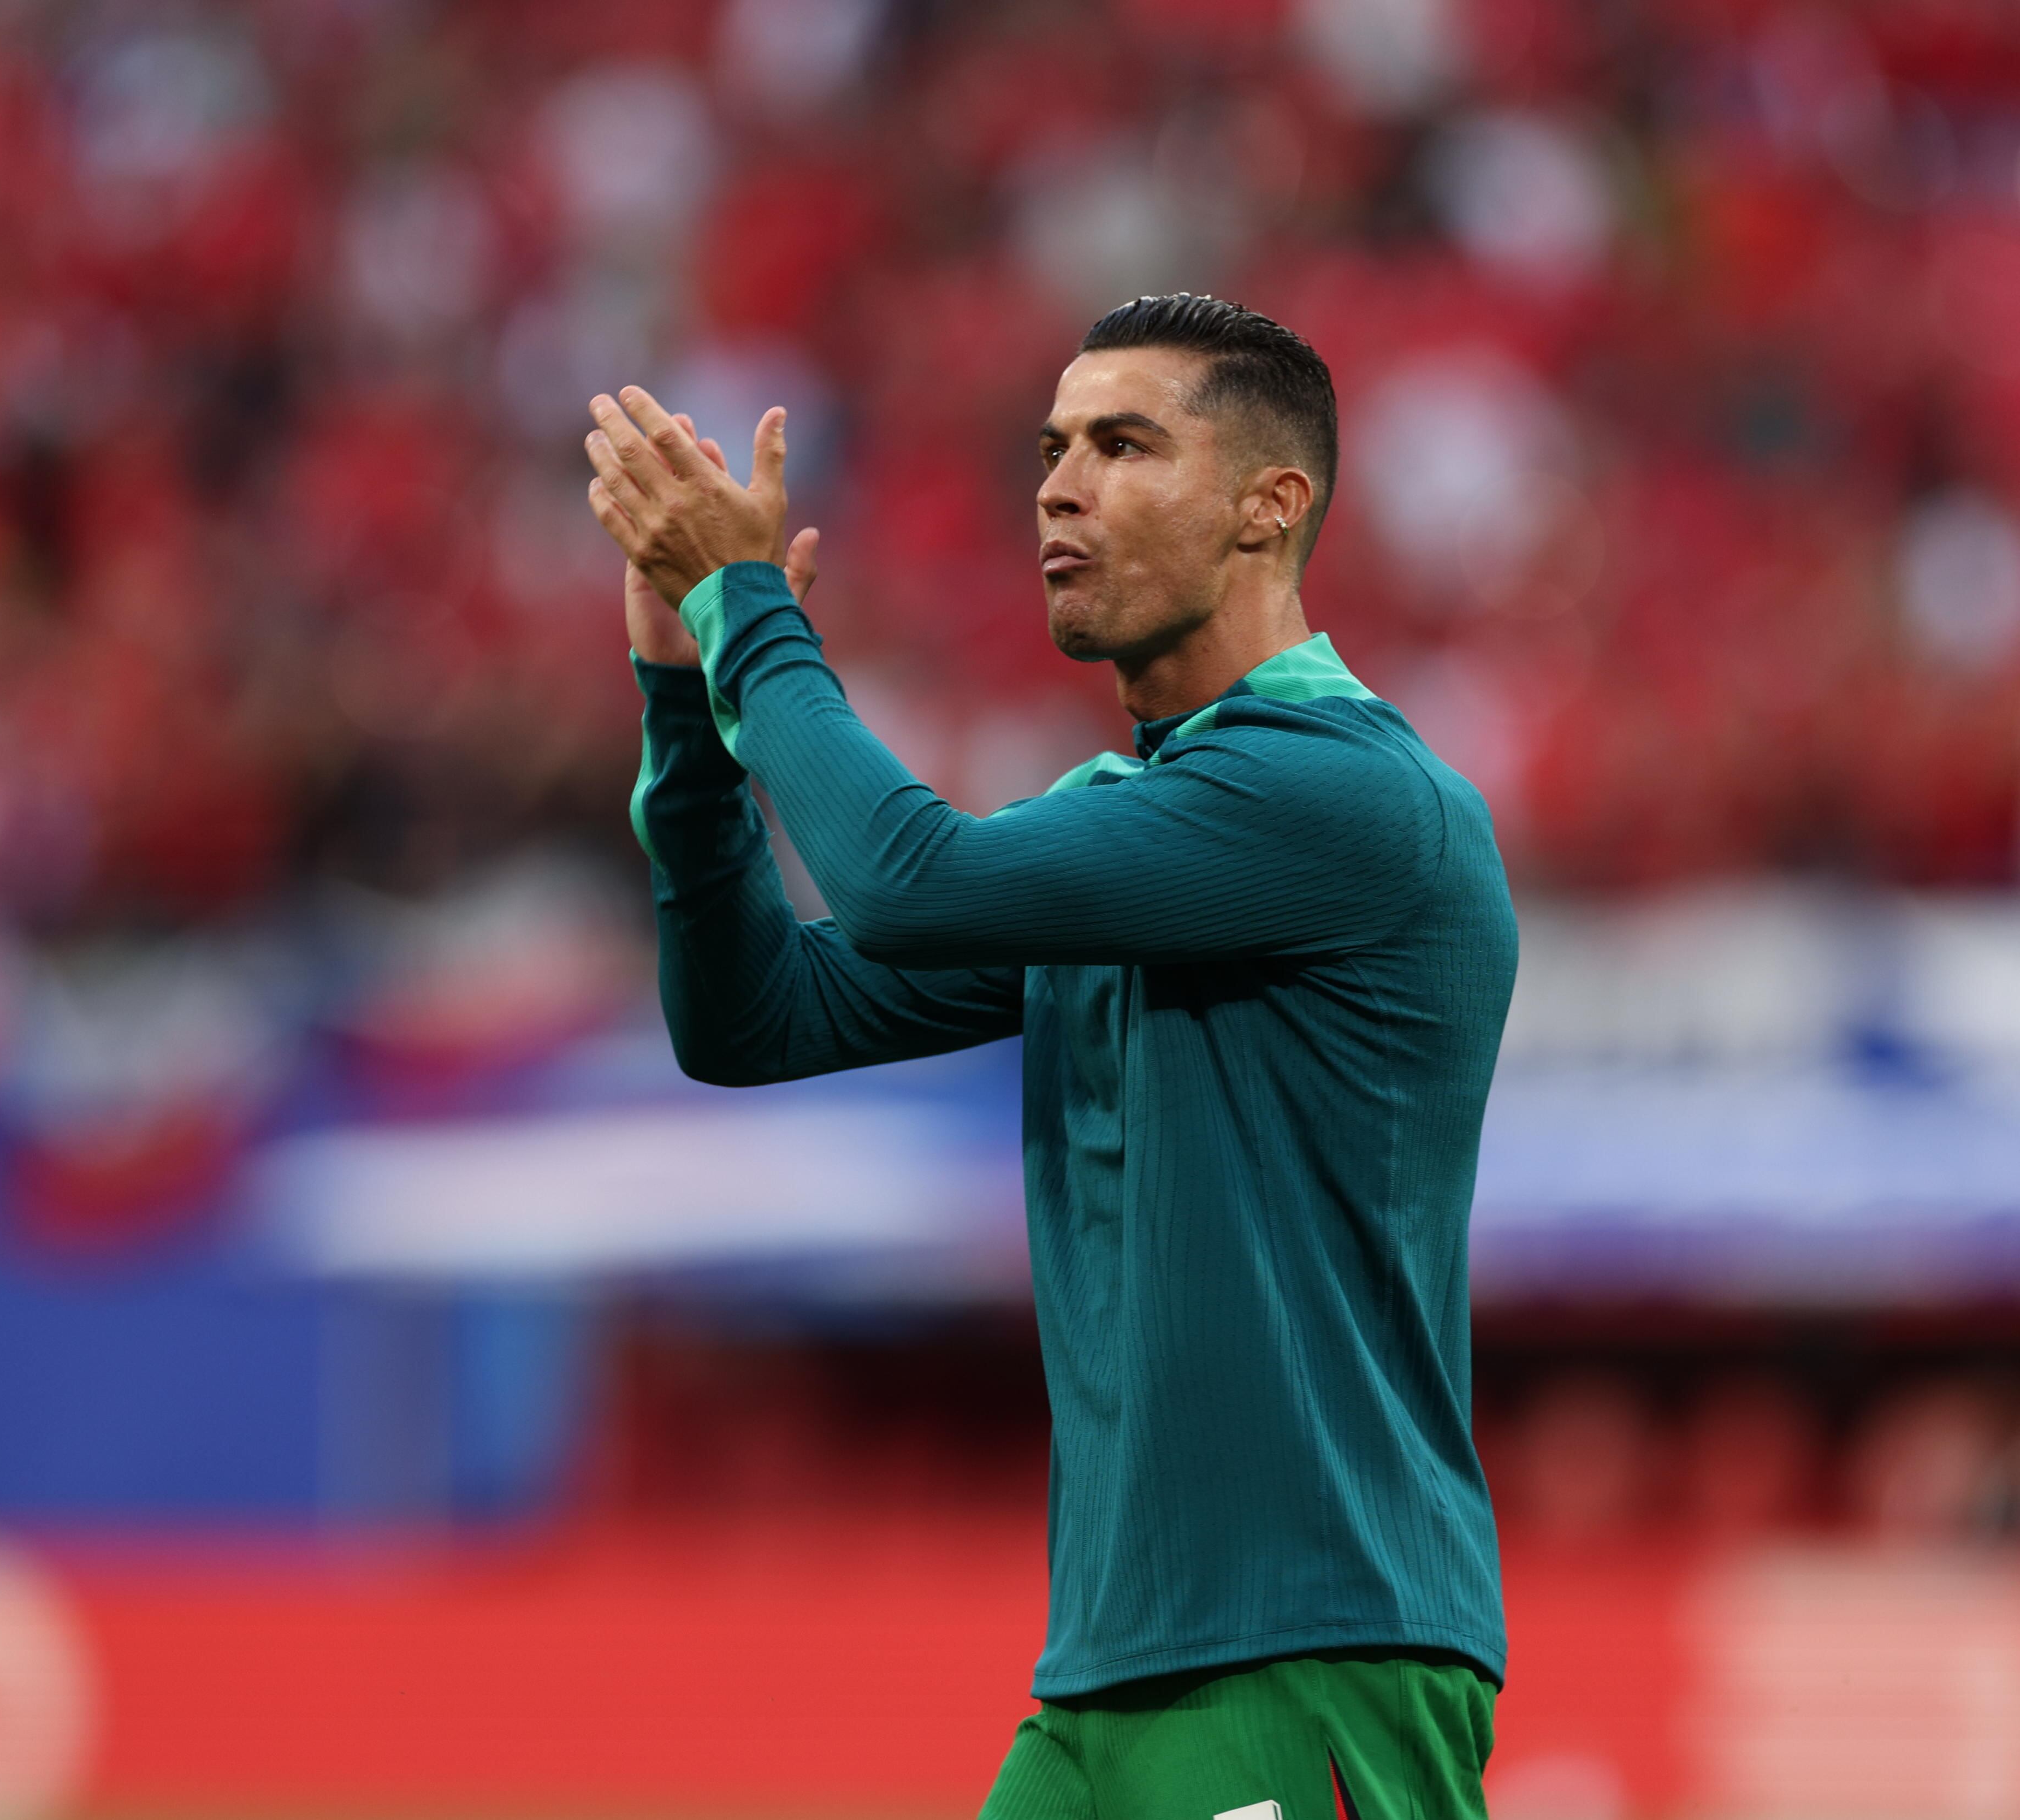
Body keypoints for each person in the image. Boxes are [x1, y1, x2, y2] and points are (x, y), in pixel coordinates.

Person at [587, 295, 1516, 1818]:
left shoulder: (1346, 800)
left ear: (1268, 507)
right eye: (1051, 447)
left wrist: (750, 616)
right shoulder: (1144, 828)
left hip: (1304, 1650)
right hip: (1103, 1682)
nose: (1059, 484)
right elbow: (752, 1017)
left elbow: (906, 881)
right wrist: (685, 705)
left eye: (1125, 443)